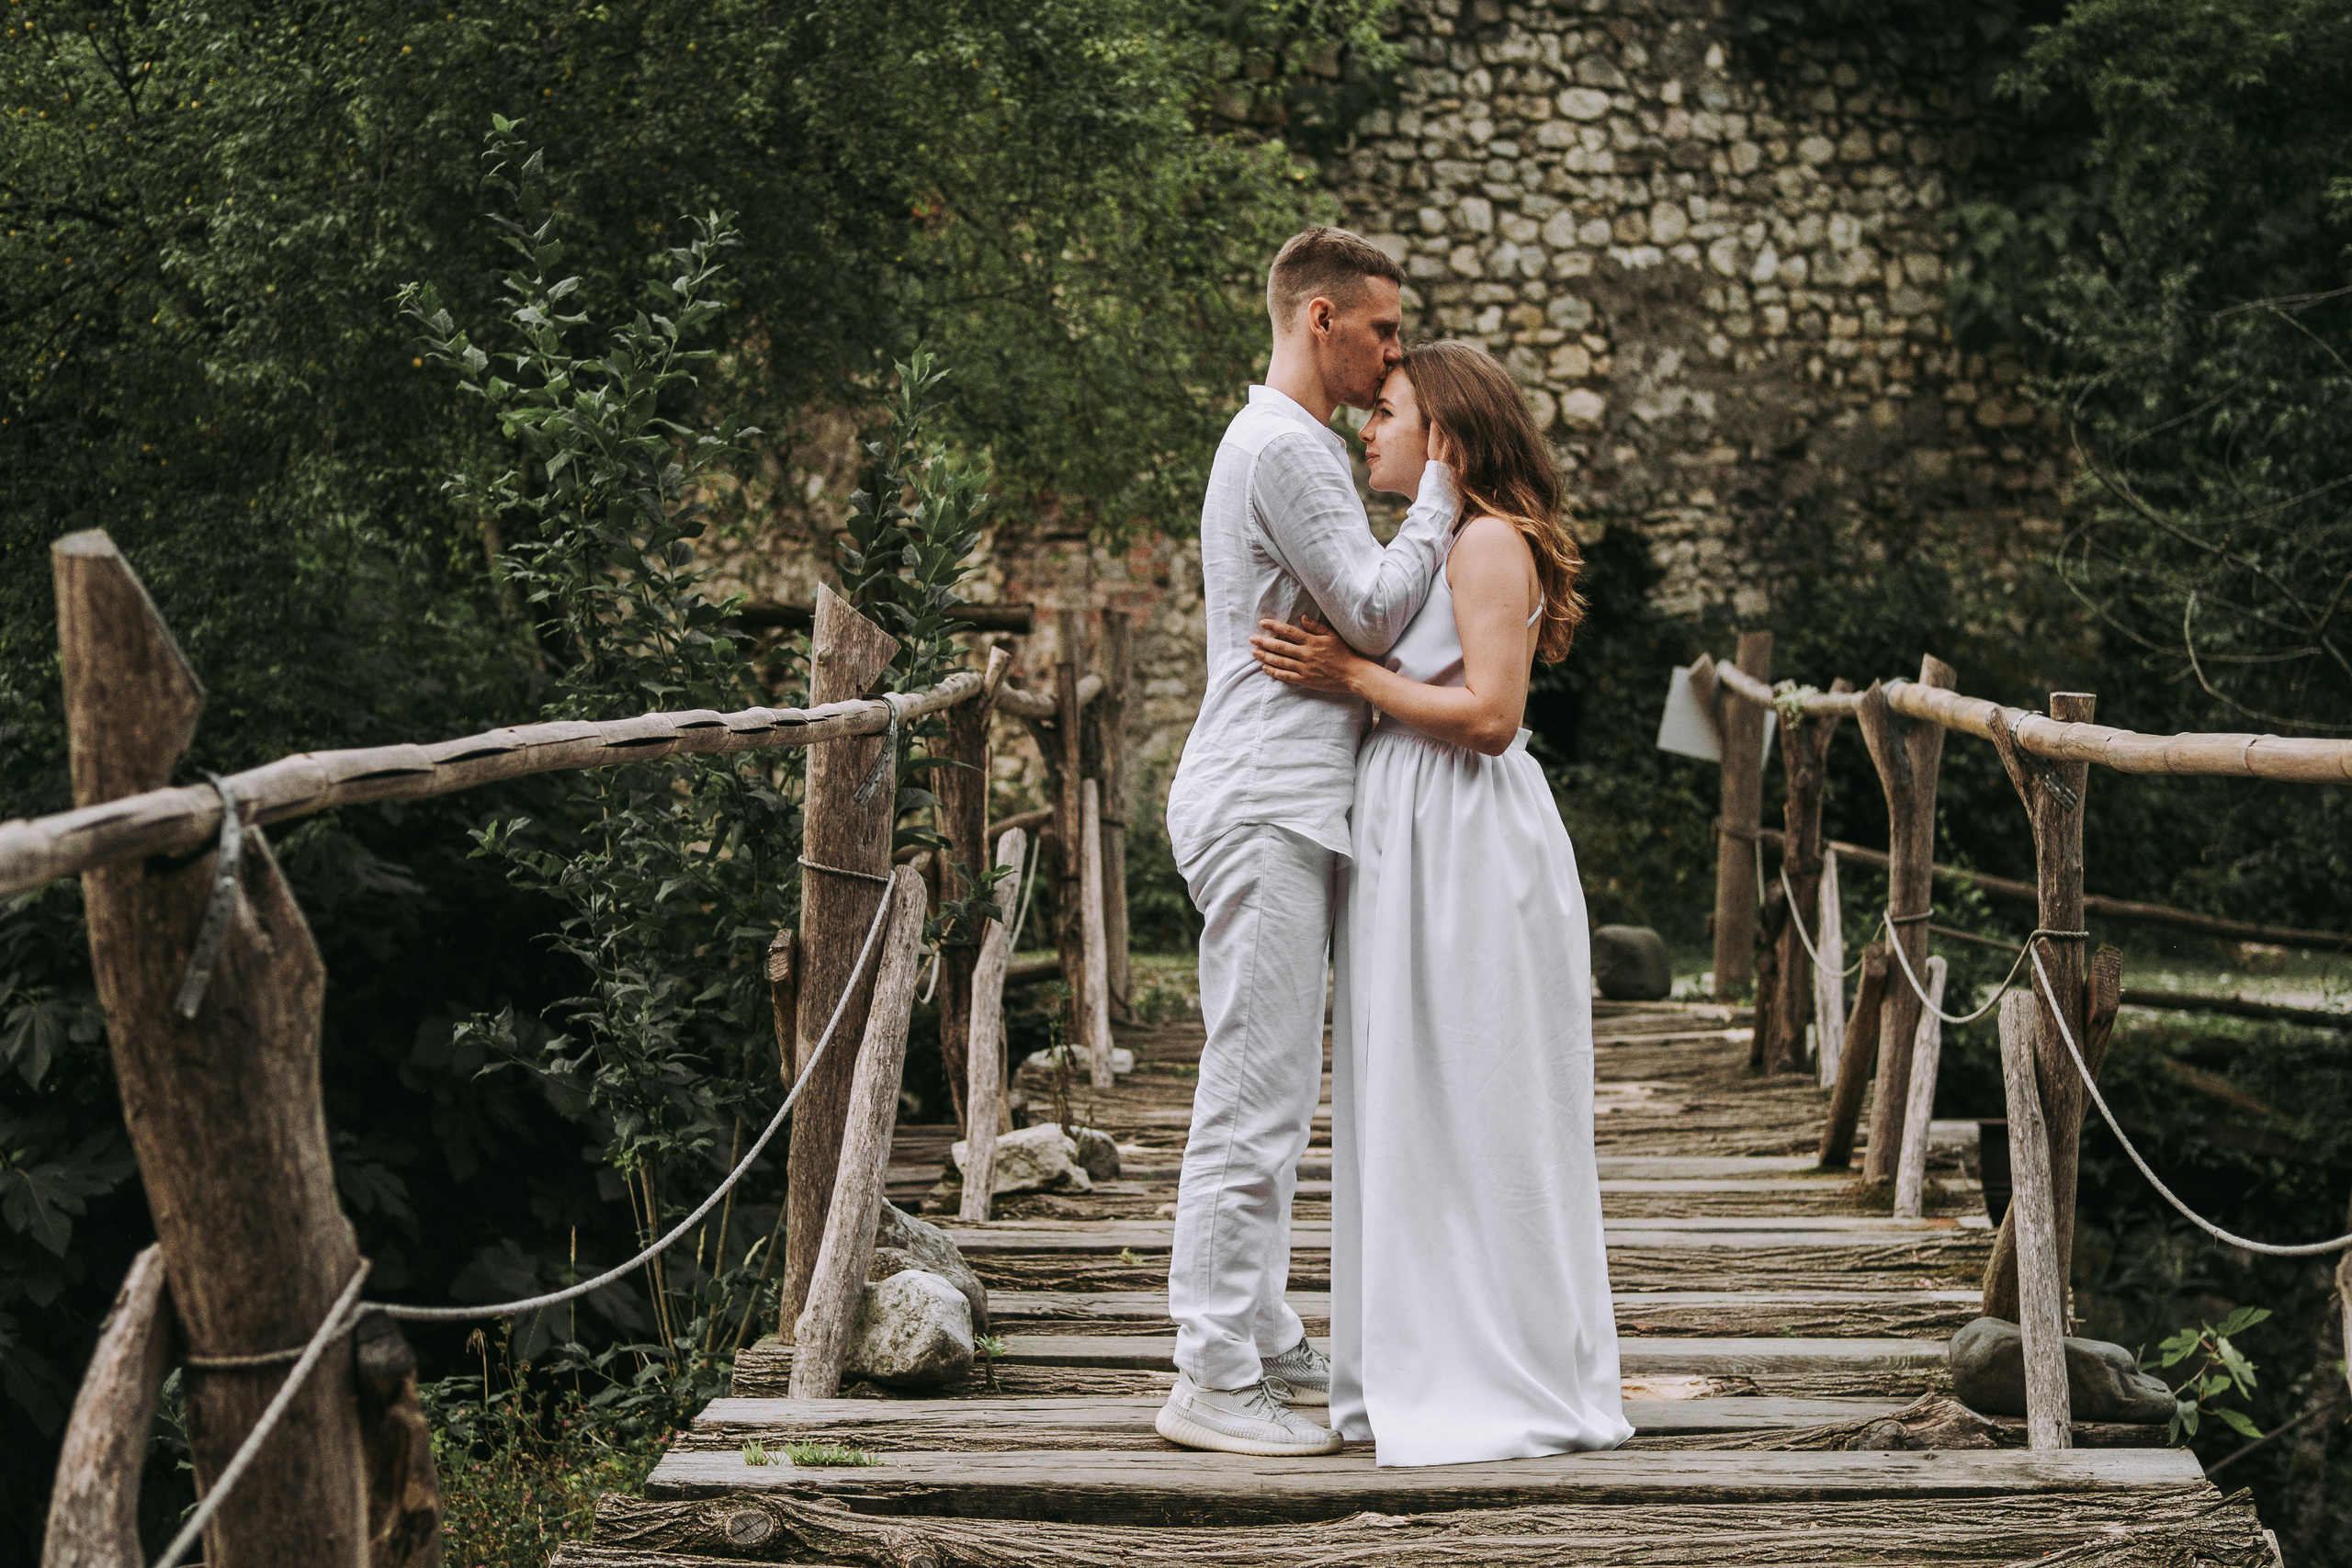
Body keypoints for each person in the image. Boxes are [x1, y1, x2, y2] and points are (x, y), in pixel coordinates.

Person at [1249, 340, 1634, 1467]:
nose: (1368, 427)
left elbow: (1492, 714)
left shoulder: (1485, 541)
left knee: (1478, 1086)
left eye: (1390, 413)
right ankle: (1419, 1356)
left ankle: (1494, 1367)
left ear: (1447, 440)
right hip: (1412, 831)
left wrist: (1351, 678)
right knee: (1409, 1093)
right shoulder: (1436, 545)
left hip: (1469, 837)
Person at [1154, 229, 1466, 1459]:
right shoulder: (1286, 445)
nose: (1396, 351)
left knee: (1272, 1084)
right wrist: (1443, 482)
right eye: (1384, 330)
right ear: (1321, 315)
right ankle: (1212, 1372)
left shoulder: (1291, 443)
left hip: (1282, 791)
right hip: (1268, 794)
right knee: (1254, 1095)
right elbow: (1379, 612)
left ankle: (1264, 1329)